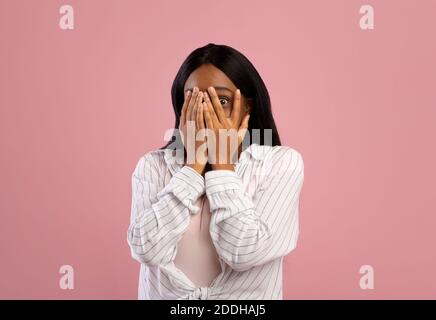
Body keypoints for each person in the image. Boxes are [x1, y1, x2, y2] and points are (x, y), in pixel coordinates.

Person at [127, 43, 304, 299]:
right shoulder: (153, 166)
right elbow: (146, 249)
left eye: (221, 100)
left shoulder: (280, 164)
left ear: (247, 107)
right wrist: (192, 168)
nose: (206, 113)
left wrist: (222, 164)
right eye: (195, 100)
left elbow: (245, 252)